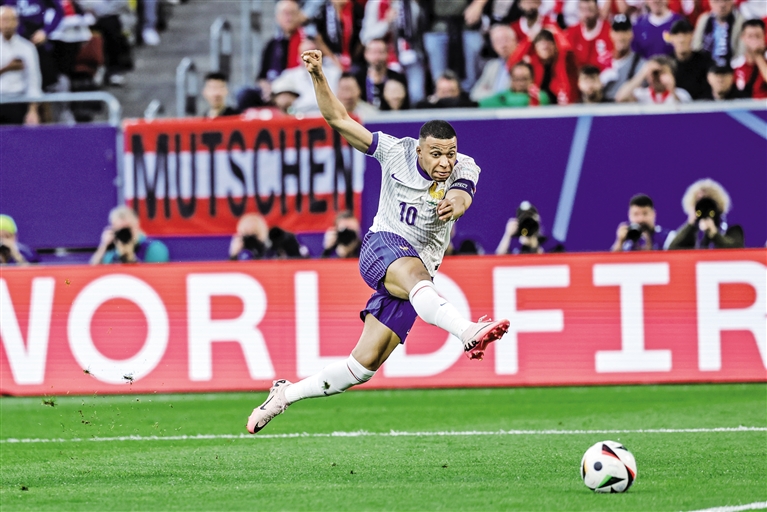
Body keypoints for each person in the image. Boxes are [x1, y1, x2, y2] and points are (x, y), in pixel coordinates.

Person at [246, 49, 511, 435]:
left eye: (450, 154)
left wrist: (456, 202)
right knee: (417, 277)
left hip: (416, 274)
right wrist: (318, 74)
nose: (445, 162)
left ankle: (285, 394)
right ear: (419, 150)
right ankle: (467, 332)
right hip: (382, 247)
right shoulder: (394, 150)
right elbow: (338, 118)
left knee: (362, 366)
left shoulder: (464, 167)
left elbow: (462, 196)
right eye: (437, 154)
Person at [668, 178, 744, 249]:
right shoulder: (694, 231)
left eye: (708, 203)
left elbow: (737, 250)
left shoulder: (731, 227)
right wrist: (690, 225)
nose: (704, 208)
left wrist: (714, 234)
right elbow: (672, 249)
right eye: (699, 204)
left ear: (718, 204)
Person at [0, 6, 41, 125]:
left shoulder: (27, 48)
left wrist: (33, 110)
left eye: (11, 19)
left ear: (17, 22)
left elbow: (33, 80)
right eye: (4, 19)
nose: (8, 24)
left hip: (18, 101)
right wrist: (7, 68)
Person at [90, 205, 169, 264]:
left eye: (127, 228)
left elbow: (156, 276)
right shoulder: (113, 252)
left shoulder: (154, 248)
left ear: (137, 225)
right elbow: (94, 274)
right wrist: (104, 246)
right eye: (120, 229)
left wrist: (131, 258)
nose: (125, 233)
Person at [354, 38, 408, 109]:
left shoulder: (397, 78)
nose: (377, 57)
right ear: (365, 54)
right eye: (373, 52)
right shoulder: (357, 78)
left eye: (381, 52)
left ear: (387, 54)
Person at [600, 14, 645, 101]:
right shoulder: (601, 60)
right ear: (611, 34)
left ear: (631, 34)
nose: (621, 36)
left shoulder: (640, 64)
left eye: (624, 31)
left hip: (628, 108)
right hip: (604, 107)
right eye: (617, 31)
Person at [615, 54, 693, 103]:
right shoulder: (641, 94)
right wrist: (642, 74)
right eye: (655, 73)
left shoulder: (681, 94)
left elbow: (685, 113)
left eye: (663, 72)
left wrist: (672, 89)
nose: (658, 76)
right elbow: (620, 98)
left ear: (672, 74)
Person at [470, 23, 518, 102]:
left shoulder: (523, 66)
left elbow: (511, 96)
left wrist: (488, 92)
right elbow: (474, 94)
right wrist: (497, 96)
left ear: (515, 41)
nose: (503, 45)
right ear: (493, 46)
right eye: (498, 41)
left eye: (506, 40)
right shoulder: (491, 66)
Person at [495, 201, 564, 255]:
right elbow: (497, 263)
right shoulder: (513, 244)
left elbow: (552, 265)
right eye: (524, 220)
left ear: (538, 220)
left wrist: (534, 245)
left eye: (530, 219)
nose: (527, 224)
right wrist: (507, 235)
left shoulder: (550, 244)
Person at [668, 19, 713, 99]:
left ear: (692, 36)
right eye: (677, 35)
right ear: (671, 38)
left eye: (685, 34)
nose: (681, 40)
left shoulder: (704, 61)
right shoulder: (667, 64)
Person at [692, 0, 745, 66]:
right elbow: (696, 47)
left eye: (725, 1)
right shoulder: (704, 19)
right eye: (717, 1)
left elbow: (741, 52)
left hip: (731, 67)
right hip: (705, 67)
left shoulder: (740, 21)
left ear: (732, 2)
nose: (722, 5)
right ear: (710, 3)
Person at [566, 0, 614, 71]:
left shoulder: (609, 31)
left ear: (597, 9)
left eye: (590, 10)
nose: (586, 15)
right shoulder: (572, 32)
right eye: (583, 10)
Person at [732, 18, 767, 98]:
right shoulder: (735, 64)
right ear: (743, 38)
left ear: (764, 37)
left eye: (758, 36)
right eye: (750, 36)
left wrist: (758, 56)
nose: (754, 40)